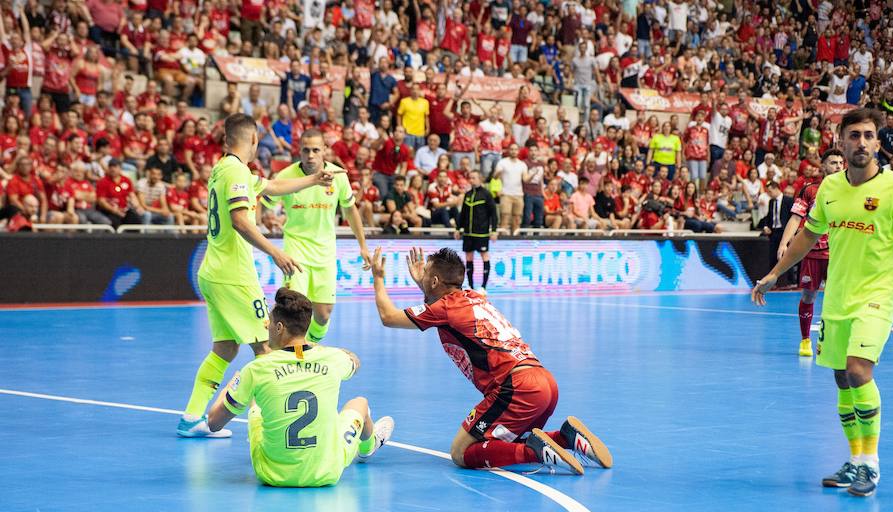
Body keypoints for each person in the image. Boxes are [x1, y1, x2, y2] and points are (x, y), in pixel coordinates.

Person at [752, 108, 893, 498]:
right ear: (840, 141)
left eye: (869, 136)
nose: (862, 143)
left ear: (878, 143)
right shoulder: (830, 189)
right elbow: (806, 236)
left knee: (857, 370)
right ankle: (854, 460)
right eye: (855, 136)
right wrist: (774, 274)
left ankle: (871, 465)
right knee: (839, 376)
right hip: (837, 297)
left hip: (877, 295)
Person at [369, 246, 613, 474]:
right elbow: (441, 306)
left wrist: (378, 277)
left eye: (426, 277)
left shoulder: (445, 309)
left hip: (516, 388)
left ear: (434, 281)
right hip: (544, 383)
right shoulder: (473, 297)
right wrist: (424, 285)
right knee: (498, 441)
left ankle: (534, 452)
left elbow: (388, 317)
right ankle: (565, 437)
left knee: (462, 453)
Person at [178, 113, 340, 438]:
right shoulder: (237, 171)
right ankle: (278, 425)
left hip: (211, 272)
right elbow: (240, 219)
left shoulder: (224, 169)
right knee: (268, 348)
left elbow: (275, 186)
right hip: (233, 273)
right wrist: (276, 252)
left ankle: (191, 418)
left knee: (225, 348)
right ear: (254, 140)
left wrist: (313, 180)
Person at [206, 288, 394, 486]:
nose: (266, 327)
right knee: (360, 403)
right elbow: (354, 361)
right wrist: (314, 347)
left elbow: (214, 423)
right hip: (326, 472)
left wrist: (233, 383)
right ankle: (368, 446)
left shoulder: (255, 369)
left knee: (255, 400)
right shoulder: (333, 358)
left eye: (269, 323)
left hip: (272, 475)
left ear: (279, 327)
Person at [271, 128, 371, 345]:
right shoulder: (286, 176)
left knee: (323, 314)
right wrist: (266, 218)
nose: (310, 155)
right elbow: (265, 200)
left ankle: (310, 347)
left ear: (325, 150)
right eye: (305, 150)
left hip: (325, 252)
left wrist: (363, 246)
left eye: (316, 150)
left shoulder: (339, 176)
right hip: (295, 252)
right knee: (293, 309)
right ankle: (291, 355)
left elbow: (351, 210)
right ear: (299, 150)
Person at [778, 149, 846, 356]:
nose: (838, 166)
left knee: (840, 299)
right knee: (809, 295)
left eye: (841, 162)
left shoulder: (851, 190)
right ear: (823, 166)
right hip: (812, 252)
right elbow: (796, 218)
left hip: (839, 253)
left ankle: (835, 341)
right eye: (833, 162)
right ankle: (806, 340)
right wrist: (784, 243)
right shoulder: (810, 190)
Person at [456, 170, 497, 294]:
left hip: (482, 233)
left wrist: (494, 230)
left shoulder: (487, 194)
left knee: (484, 256)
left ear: (480, 179)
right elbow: (462, 214)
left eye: (474, 178)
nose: (471, 180)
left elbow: (493, 214)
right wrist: (458, 228)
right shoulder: (467, 194)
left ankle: (483, 287)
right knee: (468, 257)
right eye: (470, 178)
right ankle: (471, 286)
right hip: (468, 233)